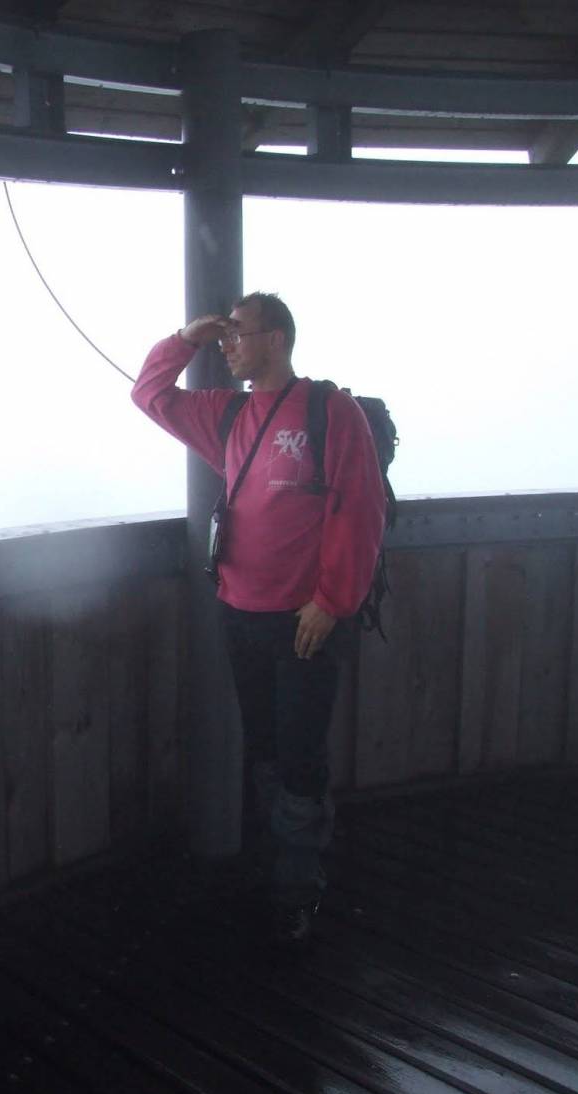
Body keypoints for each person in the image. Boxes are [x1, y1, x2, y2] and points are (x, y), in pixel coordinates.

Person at [131, 292, 386, 946]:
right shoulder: (229, 414)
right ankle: (282, 865)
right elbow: (149, 394)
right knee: (268, 751)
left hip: (305, 622)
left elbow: (359, 509)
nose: (227, 345)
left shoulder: (331, 412)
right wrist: (187, 337)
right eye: (223, 336)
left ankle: (296, 891)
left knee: (299, 758)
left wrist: (331, 602)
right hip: (240, 613)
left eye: (237, 333)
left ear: (277, 339)